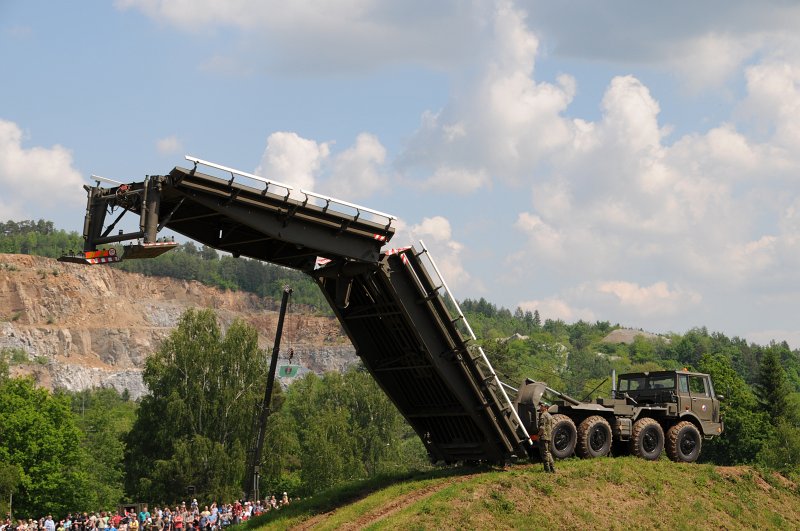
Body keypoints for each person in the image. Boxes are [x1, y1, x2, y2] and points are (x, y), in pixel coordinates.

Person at [537, 402, 556, 473]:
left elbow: (542, 428)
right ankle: (553, 469)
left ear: (546, 408)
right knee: (548, 453)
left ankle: (547, 470)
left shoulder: (543, 415)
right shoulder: (550, 416)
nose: (540, 407)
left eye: (542, 406)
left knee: (544, 453)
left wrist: (538, 436)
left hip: (543, 437)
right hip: (549, 436)